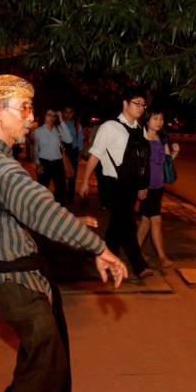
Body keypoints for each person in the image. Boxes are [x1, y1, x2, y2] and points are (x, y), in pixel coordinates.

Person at [0, 75, 127, 392]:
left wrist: (68, 220)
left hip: (3, 272)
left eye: (31, 108)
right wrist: (98, 248)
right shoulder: (0, 168)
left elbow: (28, 208)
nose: (31, 119)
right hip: (9, 279)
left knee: (37, 344)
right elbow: (36, 206)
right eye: (24, 109)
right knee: (50, 357)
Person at [80, 87, 153, 282]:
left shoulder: (140, 129)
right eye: (136, 103)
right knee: (127, 223)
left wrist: (143, 185)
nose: (140, 108)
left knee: (116, 226)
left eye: (143, 105)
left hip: (131, 184)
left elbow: (143, 160)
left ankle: (104, 256)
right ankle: (139, 265)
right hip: (113, 184)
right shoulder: (110, 127)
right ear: (125, 104)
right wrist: (85, 181)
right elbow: (95, 154)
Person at [136, 106, 180, 269]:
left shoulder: (162, 139)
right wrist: (140, 186)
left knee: (146, 221)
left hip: (158, 187)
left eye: (161, 119)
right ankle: (162, 257)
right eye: (155, 118)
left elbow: (167, 163)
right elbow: (137, 166)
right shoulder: (140, 139)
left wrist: (174, 153)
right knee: (156, 221)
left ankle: (135, 250)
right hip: (145, 187)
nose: (159, 122)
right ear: (147, 120)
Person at [33, 108, 72, 205]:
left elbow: (69, 140)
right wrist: (38, 164)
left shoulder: (58, 130)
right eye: (49, 115)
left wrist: (61, 120)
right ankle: (41, 211)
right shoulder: (38, 132)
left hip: (57, 163)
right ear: (44, 116)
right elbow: (35, 150)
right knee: (42, 190)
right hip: (44, 163)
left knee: (61, 189)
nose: (52, 118)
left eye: (54, 115)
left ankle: (60, 211)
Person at [59, 105, 84, 204]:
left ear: (73, 114)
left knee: (72, 176)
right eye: (66, 112)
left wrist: (80, 153)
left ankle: (70, 196)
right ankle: (62, 195)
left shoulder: (77, 125)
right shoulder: (60, 124)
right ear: (63, 113)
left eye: (70, 112)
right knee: (62, 175)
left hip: (73, 151)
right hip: (62, 152)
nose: (68, 114)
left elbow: (80, 139)